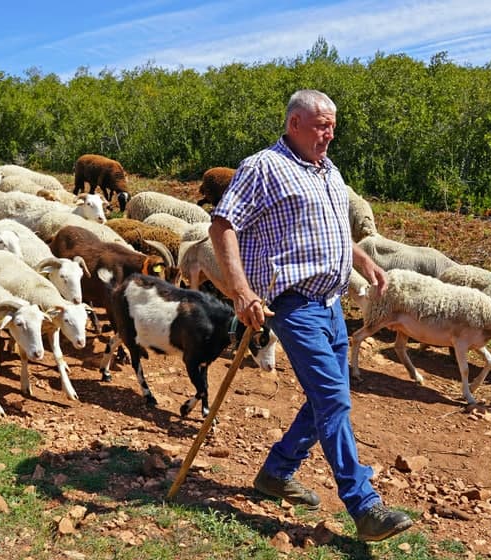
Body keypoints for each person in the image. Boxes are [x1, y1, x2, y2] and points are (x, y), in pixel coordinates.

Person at [208, 89, 414, 542]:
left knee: (326, 397)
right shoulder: (263, 167)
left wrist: (361, 261)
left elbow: (331, 229)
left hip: (331, 304)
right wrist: (241, 291)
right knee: (335, 399)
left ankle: (276, 472)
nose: (330, 133)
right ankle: (364, 507)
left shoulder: (328, 170)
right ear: (294, 123)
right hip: (293, 304)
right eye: (322, 124)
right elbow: (223, 224)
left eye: (333, 125)